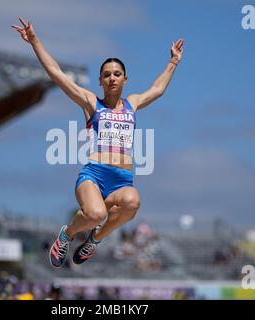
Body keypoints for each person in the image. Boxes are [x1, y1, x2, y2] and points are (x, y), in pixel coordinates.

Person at [12, 18, 184, 268]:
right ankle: (67, 235)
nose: (112, 78)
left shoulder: (133, 103)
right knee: (95, 214)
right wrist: (35, 41)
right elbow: (57, 74)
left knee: (133, 201)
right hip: (94, 175)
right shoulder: (92, 103)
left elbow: (157, 89)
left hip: (122, 181)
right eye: (106, 75)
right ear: (100, 81)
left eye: (117, 74)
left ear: (125, 79)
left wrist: (173, 61)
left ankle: (94, 240)